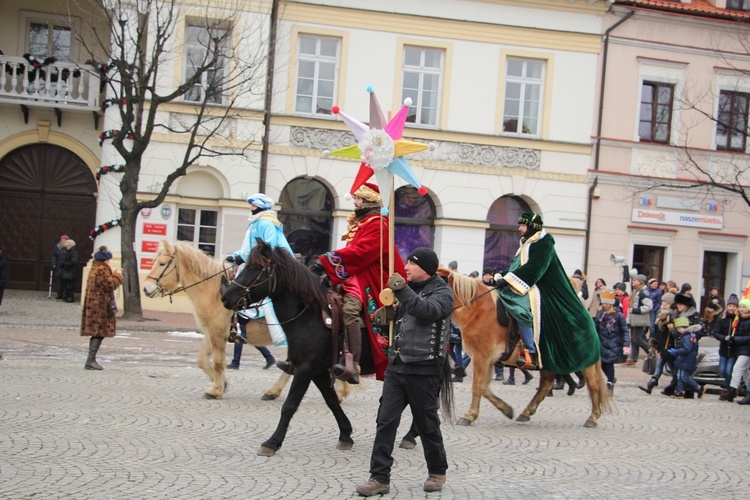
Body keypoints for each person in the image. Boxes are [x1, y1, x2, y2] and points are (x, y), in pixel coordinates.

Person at [355, 247, 453, 496]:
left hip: (425, 368)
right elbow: (404, 316)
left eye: (411, 263)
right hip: (397, 367)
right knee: (385, 422)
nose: (406, 267)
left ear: (425, 268)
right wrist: (386, 315)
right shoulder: (406, 291)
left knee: (427, 423)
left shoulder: (443, 292)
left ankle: (437, 470)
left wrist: (402, 290)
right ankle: (379, 478)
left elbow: (426, 312)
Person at [314, 182, 405, 384]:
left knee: (349, 310)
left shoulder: (379, 224)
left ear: (368, 200)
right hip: (355, 273)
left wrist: (327, 259)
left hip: (369, 278)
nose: (354, 201)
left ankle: (352, 363)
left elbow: (361, 253)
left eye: (358, 198)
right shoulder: (365, 223)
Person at [493, 212, 600, 376]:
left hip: (547, 289)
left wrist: (508, 280)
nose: (520, 228)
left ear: (531, 227)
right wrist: (501, 276)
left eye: (523, 225)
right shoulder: (526, 242)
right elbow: (516, 266)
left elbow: (535, 269)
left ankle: (531, 350)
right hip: (531, 285)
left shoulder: (544, 243)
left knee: (521, 310)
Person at [226, 193, 293, 371]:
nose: (251, 208)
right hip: (252, 266)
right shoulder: (255, 223)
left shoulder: (267, 222)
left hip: (267, 270)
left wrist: (242, 258)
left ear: (261, 206)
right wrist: (237, 256)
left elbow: (267, 248)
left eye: (253, 205)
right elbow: (248, 248)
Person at [80, 246, 123, 370]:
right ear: (105, 260)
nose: (109, 261)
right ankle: (90, 361)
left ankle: (91, 360)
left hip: (96, 306)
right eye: (108, 260)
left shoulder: (96, 268)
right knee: (98, 333)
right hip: (99, 307)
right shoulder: (101, 269)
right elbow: (110, 284)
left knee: (98, 333)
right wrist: (118, 275)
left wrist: (113, 273)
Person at [664, 292, 704, 399]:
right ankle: (680, 390)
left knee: (684, 372)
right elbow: (675, 333)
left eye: (681, 304)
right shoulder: (675, 314)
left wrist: (687, 332)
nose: (679, 306)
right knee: (679, 370)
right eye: (678, 304)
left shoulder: (694, 314)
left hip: (689, 345)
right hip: (678, 344)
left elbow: (700, 329)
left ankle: (689, 390)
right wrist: (672, 330)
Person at [639, 292, 676, 395]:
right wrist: (654, 343)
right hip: (663, 344)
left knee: (669, 367)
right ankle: (653, 383)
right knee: (664, 365)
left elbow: (671, 331)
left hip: (669, 345)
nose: (662, 302)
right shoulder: (662, 313)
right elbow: (658, 331)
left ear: (669, 303)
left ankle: (654, 383)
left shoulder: (672, 314)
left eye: (664, 301)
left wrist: (669, 326)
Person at [595, 289, 629, 395]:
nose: (605, 305)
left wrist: (625, 344)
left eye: (607, 303)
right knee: (601, 364)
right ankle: (612, 378)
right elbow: (595, 329)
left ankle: (610, 384)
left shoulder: (618, 315)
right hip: (602, 342)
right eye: (604, 303)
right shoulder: (600, 314)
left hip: (614, 343)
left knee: (609, 364)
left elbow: (624, 330)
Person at [719, 298, 750, 403]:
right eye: (740, 306)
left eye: (744, 307)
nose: (741, 309)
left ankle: (732, 391)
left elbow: (748, 337)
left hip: (746, 350)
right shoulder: (739, 319)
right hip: (739, 349)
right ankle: (746, 392)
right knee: (745, 372)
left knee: (737, 369)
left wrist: (735, 339)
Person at [624, 274, 652, 366]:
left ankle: (651, 352)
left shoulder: (644, 292)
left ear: (640, 282)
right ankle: (633, 359)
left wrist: (636, 310)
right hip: (634, 319)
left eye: (635, 280)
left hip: (639, 319)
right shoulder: (636, 291)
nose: (633, 281)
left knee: (637, 339)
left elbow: (649, 306)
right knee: (633, 340)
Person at [713, 294, 739, 391]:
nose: (731, 308)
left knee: (729, 371)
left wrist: (734, 338)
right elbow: (716, 332)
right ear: (727, 306)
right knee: (722, 370)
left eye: (734, 306)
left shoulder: (738, 319)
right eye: (730, 306)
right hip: (724, 348)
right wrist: (724, 338)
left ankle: (729, 390)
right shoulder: (722, 318)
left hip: (733, 350)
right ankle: (730, 386)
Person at [50, 234, 69, 300]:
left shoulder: (68, 247)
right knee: (59, 281)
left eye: (65, 239)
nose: (63, 240)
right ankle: (59, 294)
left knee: (64, 281)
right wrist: (53, 263)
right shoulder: (57, 247)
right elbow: (53, 256)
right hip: (58, 266)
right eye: (62, 239)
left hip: (65, 266)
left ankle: (64, 294)